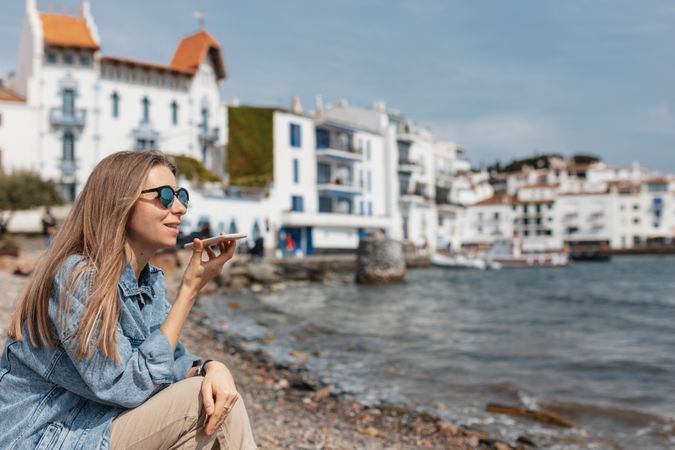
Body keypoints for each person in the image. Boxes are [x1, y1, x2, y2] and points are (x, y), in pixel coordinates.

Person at [0, 151, 257, 449]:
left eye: (181, 195)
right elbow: (126, 385)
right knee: (200, 401)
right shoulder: (78, 277)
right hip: (44, 438)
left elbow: (168, 363)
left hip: (91, 427)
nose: (179, 208)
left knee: (214, 403)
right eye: (164, 196)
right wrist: (189, 290)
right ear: (120, 202)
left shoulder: (148, 281)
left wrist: (211, 367)